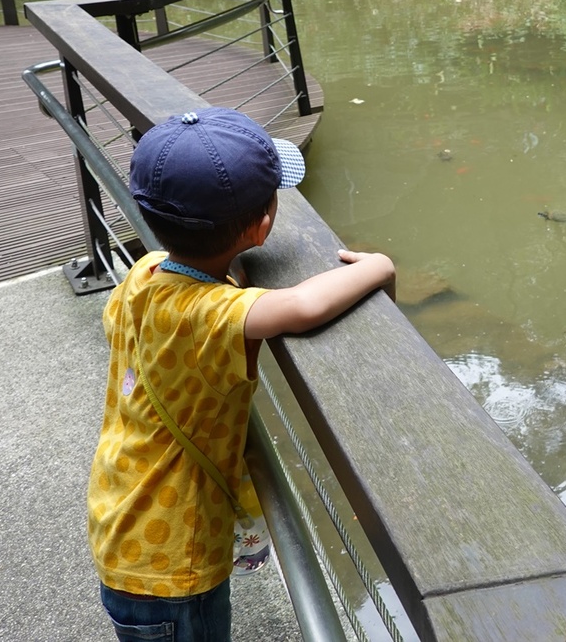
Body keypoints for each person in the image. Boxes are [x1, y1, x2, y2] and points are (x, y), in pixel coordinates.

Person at [88, 106, 395, 641]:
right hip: (173, 565)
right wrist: (379, 266)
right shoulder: (213, 314)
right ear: (262, 225)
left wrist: (228, 271)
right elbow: (300, 307)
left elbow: (194, 290)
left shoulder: (144, 273)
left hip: (126, 519)